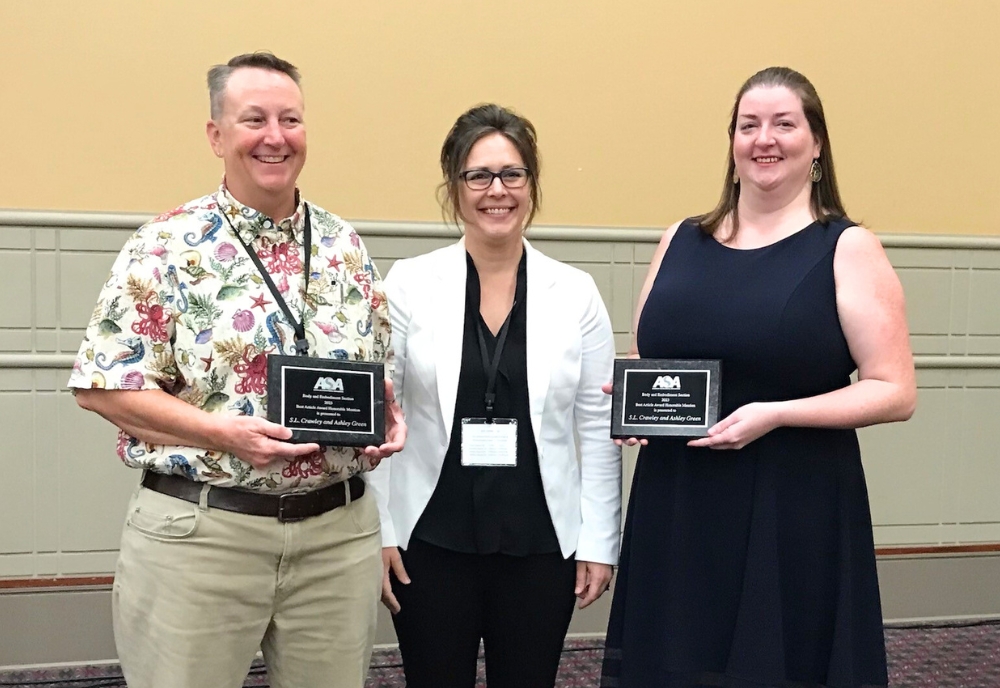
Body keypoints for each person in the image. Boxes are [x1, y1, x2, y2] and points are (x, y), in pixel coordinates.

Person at [68, 52, 405, 688]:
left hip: (338, 538)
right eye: (254, 119)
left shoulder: (344, 246)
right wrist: (226, 434)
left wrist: (386, 413)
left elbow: (373, 373)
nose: (275, 137)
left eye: (291, 119)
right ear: (216, 135)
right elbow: (103, 386)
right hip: (203, 534)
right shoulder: (165, 244)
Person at [601, 67, 916, 688]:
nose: (764, 139)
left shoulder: (847, 247)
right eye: (749, 125)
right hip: (679, 499)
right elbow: (651, 354)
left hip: (789, 505)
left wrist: (776, 413)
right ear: (732, 142)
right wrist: (634, 399)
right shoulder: (680, 239)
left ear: (817, 142)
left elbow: (894, 390)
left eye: (784, 124)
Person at [365, 103, 622, 688]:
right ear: (454, 188)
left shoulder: (575, 293)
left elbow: (597, 427)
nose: (496, 191)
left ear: (531, 185)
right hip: (428, 539)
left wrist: (600, 541)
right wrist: (379, 532)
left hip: (540, 542)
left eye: (512, 174)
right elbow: (384, 415)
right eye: (477, 175)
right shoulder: (408, 283)